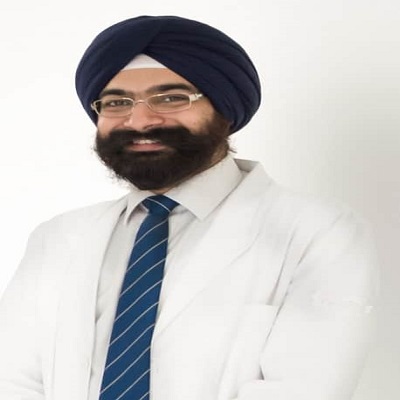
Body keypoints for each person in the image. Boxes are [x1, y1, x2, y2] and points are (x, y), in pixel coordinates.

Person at [0, 15, 378, 400]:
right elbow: (14, 382)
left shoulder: (318, 232)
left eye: (171, 98)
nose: (140, 120)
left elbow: (302, 389)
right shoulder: (58, 238)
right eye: (116, 102)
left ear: (224, 108)